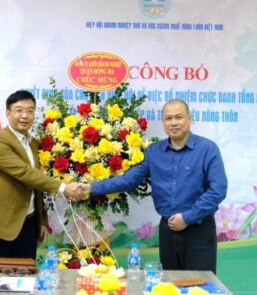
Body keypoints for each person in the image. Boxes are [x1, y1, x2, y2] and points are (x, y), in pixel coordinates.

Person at [79, 99, 227, 272]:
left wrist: (187, 218)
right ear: (163, 122)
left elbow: (218, 190)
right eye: (168, 118)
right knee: (170, 284)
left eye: (179, 117)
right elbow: (128, 180)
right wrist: (90, 188)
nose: (173, 123)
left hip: (199, 229)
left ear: (190, 119)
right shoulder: (154, 151)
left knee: (201, 285)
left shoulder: (207, 149)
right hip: (168, 230)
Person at [0, 90, 85, 266]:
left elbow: (37, 185)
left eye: (30, 111)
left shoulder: (35, 144)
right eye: (19, 110)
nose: (25, 116)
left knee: (25, 275)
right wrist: (64, 188)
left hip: (28, 224)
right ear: (8, 113)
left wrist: (41, 221)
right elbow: (25, 173)